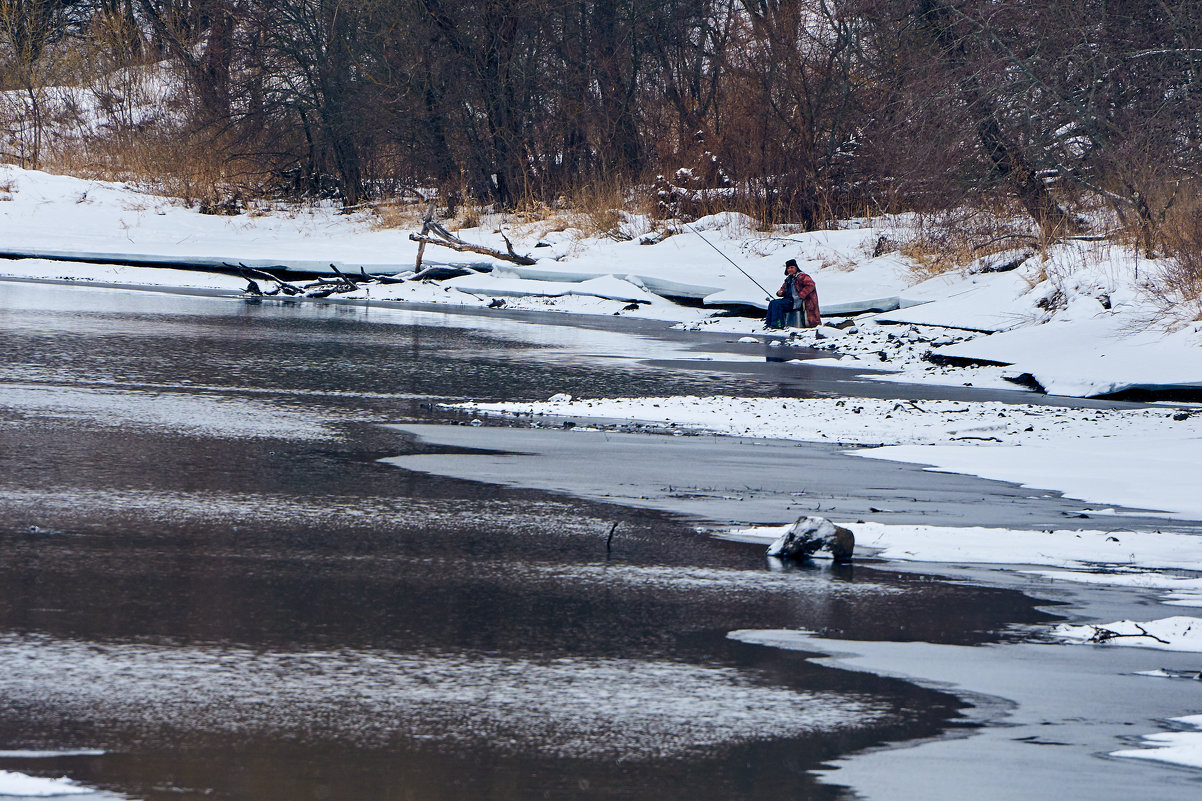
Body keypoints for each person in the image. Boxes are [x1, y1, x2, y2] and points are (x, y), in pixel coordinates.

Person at [765, 259, 820, 329]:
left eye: (792, 267)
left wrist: (801, 295)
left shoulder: (803, 276)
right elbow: (783, 289)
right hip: (789, 301)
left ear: (796, 268)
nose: (790, 269)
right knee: (772, 302)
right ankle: (769, 324)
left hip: (797, 302)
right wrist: (780, 293)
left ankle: (778, 325)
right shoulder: (788, 279)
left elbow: (811, 285)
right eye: (788, 268)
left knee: (776, 304)